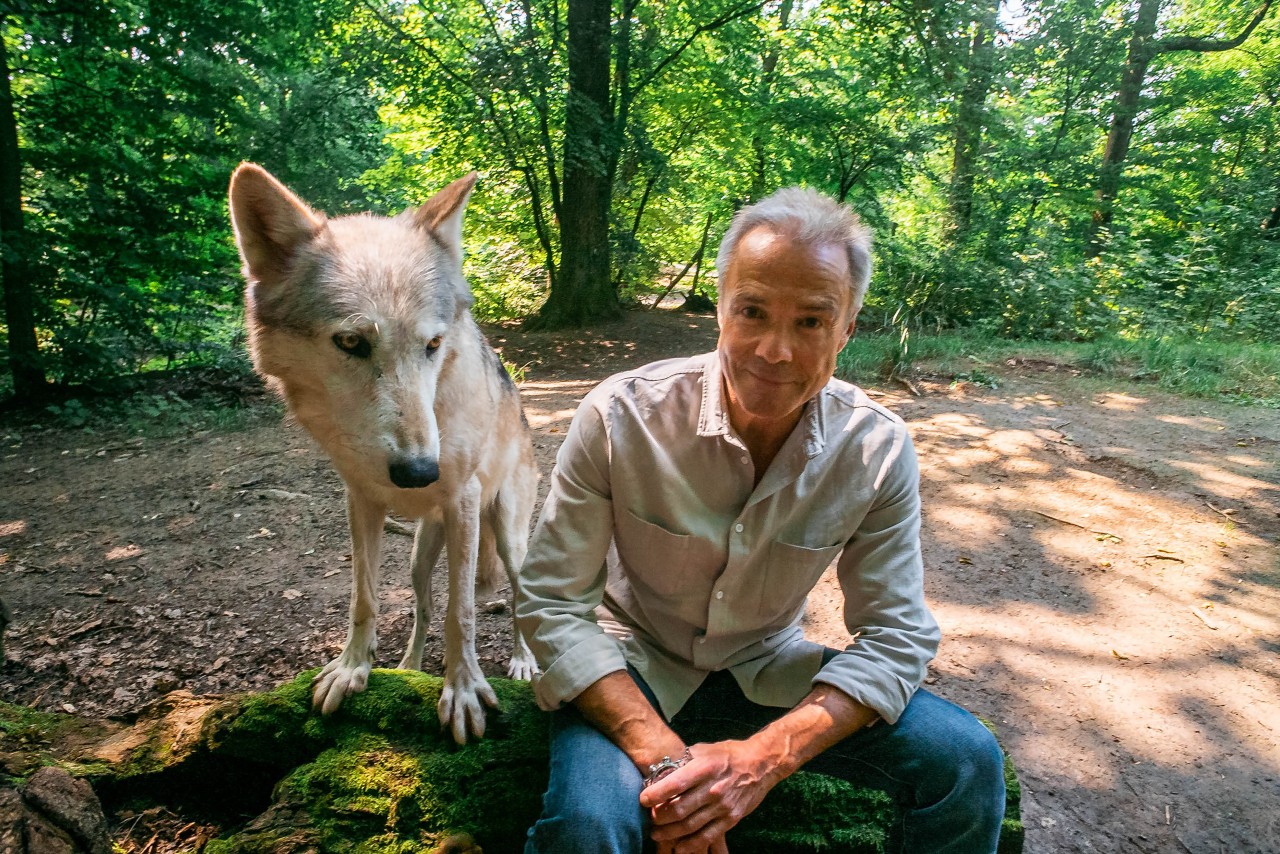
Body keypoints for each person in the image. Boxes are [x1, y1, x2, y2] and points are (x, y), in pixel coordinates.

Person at [514, 187, 1006, 854]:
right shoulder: (621, 416)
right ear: (719, 307)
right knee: (588, 827)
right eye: (752, 312)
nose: (775, 351)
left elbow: (895, 634)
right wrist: (668, 766)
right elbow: (551, 601)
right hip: (628, 665)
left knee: (968, 761)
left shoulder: (877, 448)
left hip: (768, 666)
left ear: (848, 328)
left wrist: (761, 762)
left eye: (810, 322)